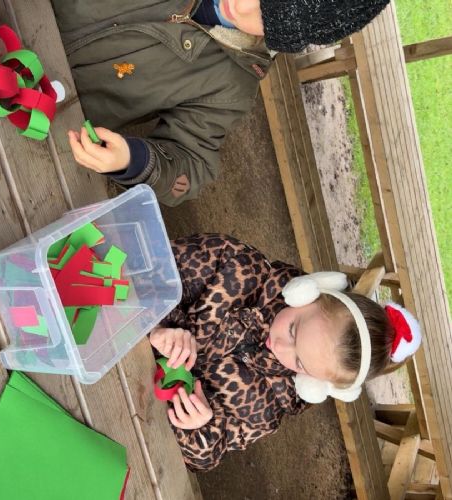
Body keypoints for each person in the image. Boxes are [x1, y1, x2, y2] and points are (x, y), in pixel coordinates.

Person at [45, 0, 390, 206]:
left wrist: (133, 160)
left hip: (44, 106)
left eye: (266, 13)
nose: (240, 6)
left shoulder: (232, 82)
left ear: (287, 36)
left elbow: (191, 163)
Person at [149, 234, 421, 471]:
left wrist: (202, 428)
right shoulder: (237, 267)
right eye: (293, 329)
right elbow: (149, 266)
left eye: (299, 362)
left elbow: (198, 460)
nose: (280, 347)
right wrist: (161, 323)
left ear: (314, 382)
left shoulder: (265, 410)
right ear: (307, 294)